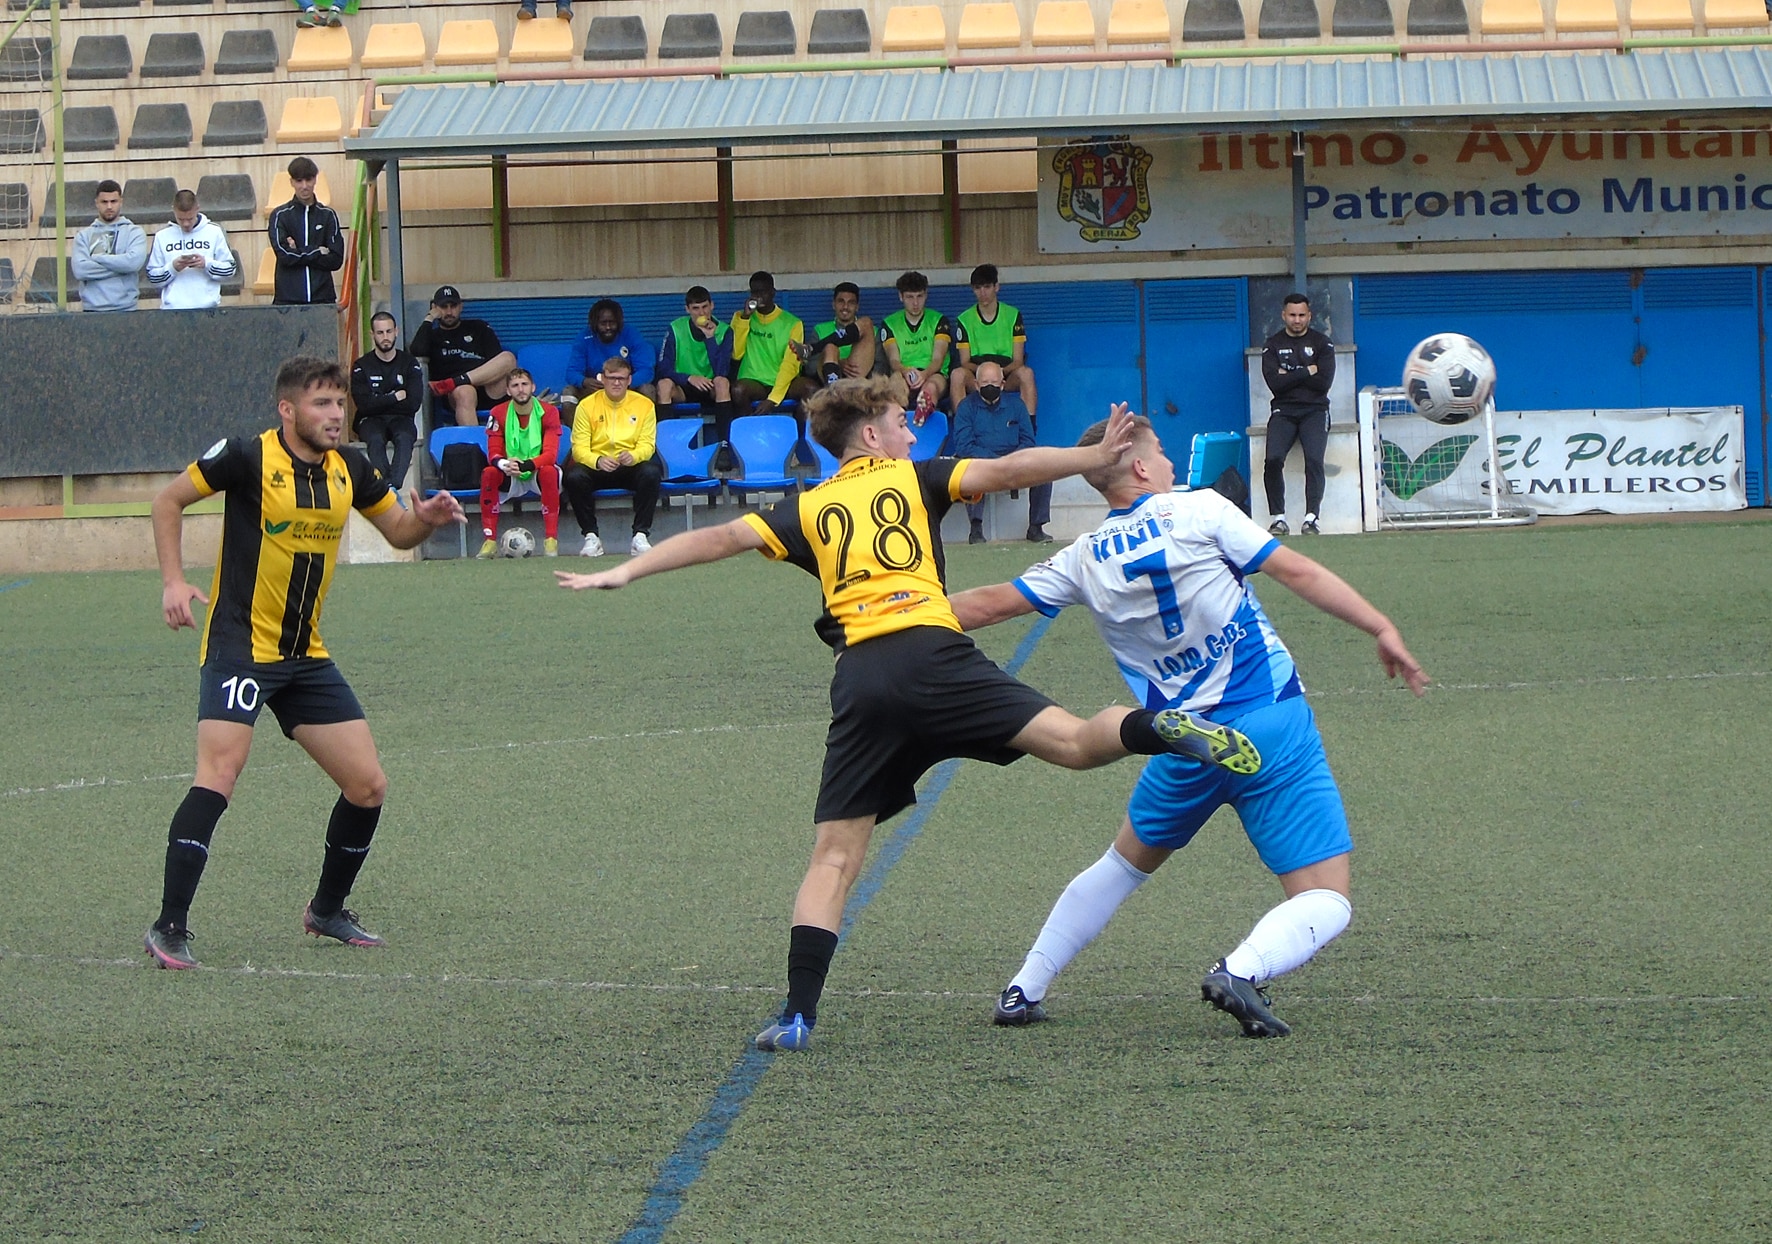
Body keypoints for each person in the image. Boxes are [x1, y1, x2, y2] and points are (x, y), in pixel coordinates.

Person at [554, 380, 1262, 1053]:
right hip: (937, 655)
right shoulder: (917, 478)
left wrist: (625, 570)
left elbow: (721, 538)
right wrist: (1092, 458)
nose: (911, 430)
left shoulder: (804, 508)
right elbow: (1011, 469)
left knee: (834, 857)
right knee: (1077, 742)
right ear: (872, 433)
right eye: (901, 422)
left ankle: (798, 1015)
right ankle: (1158, 727)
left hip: (862, 679)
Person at [947, 415, 1427, 1038]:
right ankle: (1242, 969)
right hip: (1271, 725)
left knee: (1120, 867)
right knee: (1327, 899)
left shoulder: (1083, 558)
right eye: (1163, 452)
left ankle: (1024, 988)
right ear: (1141, 467)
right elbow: (1298, 572)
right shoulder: (1201, 510)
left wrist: (884, 615)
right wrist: (1380, 626)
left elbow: (985, 606)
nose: (1172, 462)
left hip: (1181, 743)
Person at [142, 356, 466, 970]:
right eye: (322, 404)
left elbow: (396, 530)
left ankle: (326, 910)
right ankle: (169, 926)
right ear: (288, 410)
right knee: (219, 774)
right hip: (241, 645)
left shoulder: (351, 465)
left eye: (341, 403)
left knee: (367, 785)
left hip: (305, 656)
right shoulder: (246, 456)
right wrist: (171, 581)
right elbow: (168, 501)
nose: (337, 414)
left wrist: (422, 522)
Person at [562, 356, 660, 558]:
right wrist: (597, 460)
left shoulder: (644, 405)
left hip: (629, 464)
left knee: (651, 472)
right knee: (573, 476)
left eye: (622, 379)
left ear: (629, 380)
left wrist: (633, 456)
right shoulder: (587, 405)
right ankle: (591, 537)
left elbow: (647, 444)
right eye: (612, 378)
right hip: (598, 465)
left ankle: (640, 535)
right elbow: (579, 447)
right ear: (602, 379)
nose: (616, 383)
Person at [950, 360, 1051, 545]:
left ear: (1003, 385)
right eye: (985, 383)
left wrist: (1012, 460)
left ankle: (1036, 527)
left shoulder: (1017, 406)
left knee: (1044, 466)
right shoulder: (966, 408)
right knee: (967, 464)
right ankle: (976, 529)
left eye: (995, 383)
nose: (990, 386)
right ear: (976, 385)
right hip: (981, 461)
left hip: (1014, 460)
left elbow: (1028, 440)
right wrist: (994, 461)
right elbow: (964, 446)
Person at [1261, 293, 1335, 537]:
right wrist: (1308, 371)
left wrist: (1289, 375)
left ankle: (1311, 518)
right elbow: (1275, 384)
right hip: (1283, 411)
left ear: (1309, 316)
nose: (1297, 320)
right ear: (1284, 315)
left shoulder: (1323, 344)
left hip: (1315, 410)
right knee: (1272, 459)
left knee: (1314, 460)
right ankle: (1278, 518)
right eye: (1292, 315)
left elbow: (1323, 383)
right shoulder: (1272, 345)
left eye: (1302, 315)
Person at [477, 367, 562, 559]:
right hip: (510, 469)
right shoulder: (497, 412)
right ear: (508, 391)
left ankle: (551, 540)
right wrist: (504, 464)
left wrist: (526, 465)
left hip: (537, 468)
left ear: (533, 387)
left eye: (524, 384)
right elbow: (494, 452)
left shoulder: (548, 412)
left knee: (550, 471)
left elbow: (550, 454)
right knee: (489, 472)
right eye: (515, 385)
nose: (520, 389)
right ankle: (489, 540)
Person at [409, 285, 518, 427]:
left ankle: (458, 381)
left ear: (461, 306)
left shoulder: (478, 327)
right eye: (443, 307)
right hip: (457, 395)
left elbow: (497, 363)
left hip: (488, 388)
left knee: (508, 358)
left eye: (453, 306)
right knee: (466, 391)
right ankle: (474, 447)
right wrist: (429, 318)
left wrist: (466, 380)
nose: (449, 311)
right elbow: (417, 351)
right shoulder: (432, 336)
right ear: (434, 308)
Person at [349, 311, 423, 493]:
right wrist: (394, 397)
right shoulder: (361, 365)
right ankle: (384, 485)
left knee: (405, 437)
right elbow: (364, 405)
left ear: (396, 331)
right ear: (372, 335)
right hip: (370, 420)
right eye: (380, 333)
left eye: (389, 331)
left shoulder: (409, 362)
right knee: (375, 438)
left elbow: (413, 403)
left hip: (401, 419)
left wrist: (378, 399)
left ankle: (393, 486)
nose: (385, 337)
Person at [949, 264, 1036, 419]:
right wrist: (985, 375)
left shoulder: (1013, 315)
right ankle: (962, 428)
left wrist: (999, 373)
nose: (983, 293)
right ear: (973, 290)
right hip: (977, 376)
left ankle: (1028, 427)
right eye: (978, 288)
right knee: (957, 375)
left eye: (987, 287)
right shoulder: (964, 319)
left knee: (1026, 373)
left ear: (996, 287)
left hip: (1006, 374)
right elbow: (964, 362)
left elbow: (1018, 360)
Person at [730, 270, 817, 418]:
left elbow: (791, 364)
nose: (758, 297)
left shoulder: (792, 323)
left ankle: (798, 436)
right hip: (754, 381)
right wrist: (745, 319)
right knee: (738, 390)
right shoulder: (740, 318)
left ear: (773, 293)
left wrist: (773, 398)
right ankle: (748, 435)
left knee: (811, 388)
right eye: (754, 293)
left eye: (763, 292)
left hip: (784, 381)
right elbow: (736, 354)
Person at [655, 285, 733, 439]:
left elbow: (722, 370)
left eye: (705, 307)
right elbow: (663, 368)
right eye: (696, 308)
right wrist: (689, 378)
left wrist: (710, 338)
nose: (702, 313)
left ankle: (725, 445)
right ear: (687, 309)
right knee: (663, 385)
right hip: (684, 386)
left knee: (722, 382)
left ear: (712, 306)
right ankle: (667, 444)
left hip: (710, 387)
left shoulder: (724, 330)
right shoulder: (676, 328)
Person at [268, 156, 344, 306]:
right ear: (292, 182)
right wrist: (317, 251)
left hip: (323, 298)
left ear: (315, 180)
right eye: (299, 181)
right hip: (288, 300)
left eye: (308, 180)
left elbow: (336, 260)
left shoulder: (328, 215)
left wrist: (298, 252)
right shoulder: (279, 215)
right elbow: (284, 256)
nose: (304, 186)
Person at [880, 270, 954, 423]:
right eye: (909, 297)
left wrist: (924, 374)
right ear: (901, 297)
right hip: (904, 372)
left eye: (919, 296)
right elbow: (894, 361)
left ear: (926, 295)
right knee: (896, 383)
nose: (915, 303)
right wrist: (906, 371)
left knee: (930, 387)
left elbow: (938, 359)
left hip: (933, 372)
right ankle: (898, 422)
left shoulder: (939, 320)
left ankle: (923, 417)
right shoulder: (890, 323)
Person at [146, 189, 237, 311]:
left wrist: (206, 264)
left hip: (208, 309)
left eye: (190, 218)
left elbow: (230, 270)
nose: (186, 224)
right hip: (172, 310)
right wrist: (173, 268)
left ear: (197, 209)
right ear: (173, 210)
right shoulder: (162, 236)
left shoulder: (214, 232)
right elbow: (152, 277)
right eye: (181, 219)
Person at [563, 299, 657, 418]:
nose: (608, 327)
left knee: (648, 389)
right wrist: (585, 381)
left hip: (626, 389)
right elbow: (571, 373)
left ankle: (646, 433)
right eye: (603, 323)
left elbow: (646, 371)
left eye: (612, 322)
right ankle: (575, 435)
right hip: (596, 391)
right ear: (595, 324)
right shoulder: (584, 337)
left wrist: (624, 382)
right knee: (568, 392)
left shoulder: (631, 334)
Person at [71, 180, 147, 312]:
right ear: (96, 203)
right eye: (104, 202)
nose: (109, 206)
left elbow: (133, 263)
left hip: (126, 309)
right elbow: (80, 270)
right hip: (92, 311)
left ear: (121, 202)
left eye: (114, 201)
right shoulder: (84, 236)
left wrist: (98, 258)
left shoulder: (134, 232)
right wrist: (121, 265)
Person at [797, 281, 876, 389]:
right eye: (841, 301)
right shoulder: (820, 329)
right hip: (828, 378)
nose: (845, 307)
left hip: (857, 379)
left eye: (851, 302)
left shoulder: (872, 331)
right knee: (830, 347)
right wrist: (838, 364)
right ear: (833, 304)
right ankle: (834, 392)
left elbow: (880, 366)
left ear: (857, 307)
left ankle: (812, 348)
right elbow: (811, 368)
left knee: (866, 322)